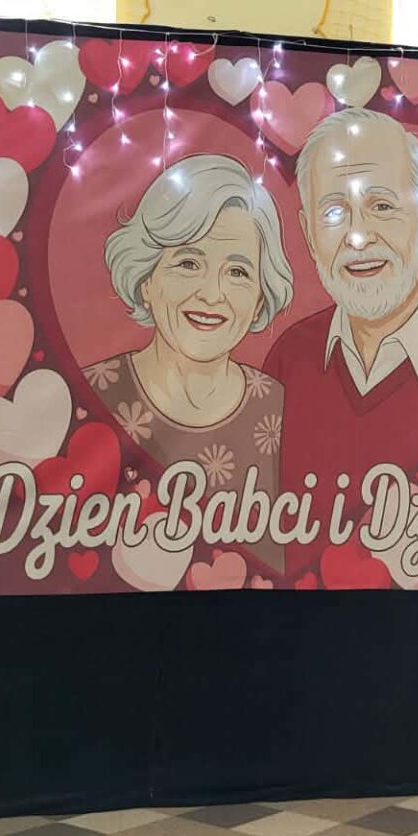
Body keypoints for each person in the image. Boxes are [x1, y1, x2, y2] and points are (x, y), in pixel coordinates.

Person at [263, 107, 418, 582]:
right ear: (309, 235)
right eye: (334, 212)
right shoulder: (288, 360)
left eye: (382, 206)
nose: (358, 236)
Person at [88, 153, 295, 573]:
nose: (212, 294)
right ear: (146, 280)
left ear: (260, 297)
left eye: (238, 272)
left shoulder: (285, 412)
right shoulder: (90, 397)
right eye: (188, 263)